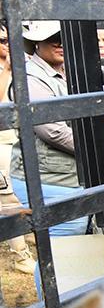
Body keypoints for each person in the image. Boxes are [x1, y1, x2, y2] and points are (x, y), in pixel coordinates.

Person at [9, 21, 87, 236]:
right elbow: (53, 131)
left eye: (64, 37)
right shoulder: (31, 78)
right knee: (65, 235)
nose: (60, 43)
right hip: (47, 176)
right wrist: (99, 151)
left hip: (63, 173)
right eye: (53, 38)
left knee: (70, 240)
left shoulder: (64, 72)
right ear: (36, 43)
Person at [0, 24, 37, 271]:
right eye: (2, 40)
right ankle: (21, 254)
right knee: (8, 198)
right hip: (2, 141)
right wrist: (8, 70)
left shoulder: (23, 61)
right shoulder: (8, 67)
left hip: (22, 137)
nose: (6, 43)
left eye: (8, 38)